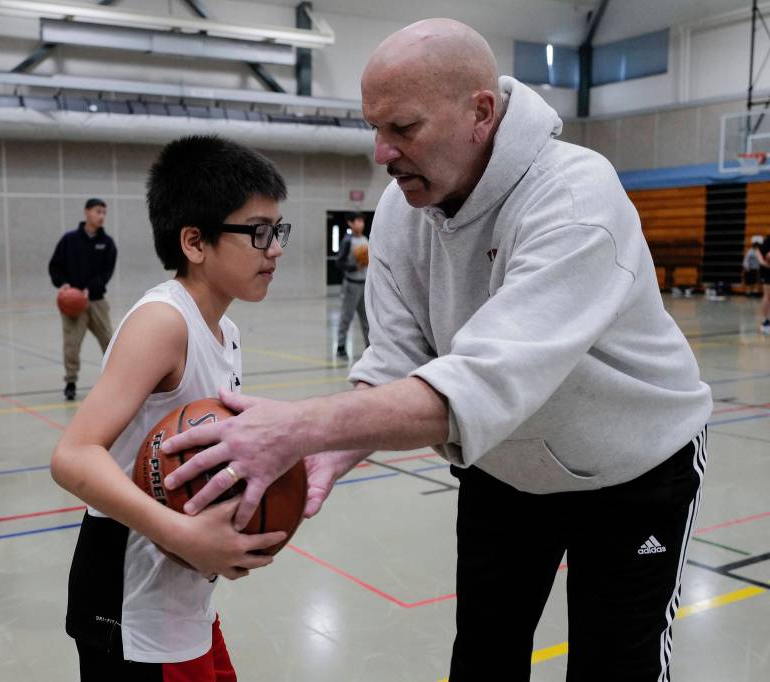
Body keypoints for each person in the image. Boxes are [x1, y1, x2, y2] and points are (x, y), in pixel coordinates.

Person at [158, 19, 713, 681]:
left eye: (402, 128)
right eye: (374, 128)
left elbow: (484, 381)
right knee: (481, 657)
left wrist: (300, 427)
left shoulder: (574, 197)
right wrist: (331, 450)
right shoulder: (401, 210)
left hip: (633, 469)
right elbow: (397, 357)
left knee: (616, 667)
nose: (381, 153)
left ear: (480, 112)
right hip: (502, 468)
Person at [50, 135, 290, 680]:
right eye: (258, 232)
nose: (274, 247)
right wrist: (183, 535)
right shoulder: (163, 323)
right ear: (195, 242)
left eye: (278, 231)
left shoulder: (224, 328)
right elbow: (73, 455)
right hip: (129, 600)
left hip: (183, 594)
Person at [48, 198, 117, 400]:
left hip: (96, 301)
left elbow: (107, 273)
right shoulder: (69, 240)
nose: (101, 216)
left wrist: (90, 288)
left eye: (104, 212)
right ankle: (70, 382)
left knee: (110, 341)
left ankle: (115, 380)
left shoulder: (107, 243)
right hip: (72, 304)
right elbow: (55, 266)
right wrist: (63, 284)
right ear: (87, 213)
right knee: (71, 344)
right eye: (98, 211)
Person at [335, 212, 370, 358]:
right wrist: (354, 267)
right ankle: (341, 347)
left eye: (362, 221)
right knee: (346, 316)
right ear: (350, 223)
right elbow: (339, 262)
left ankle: (369, 347)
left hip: (365, 284)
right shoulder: (347, 241)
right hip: (352, 284)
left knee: (367, 319)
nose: (360, 224)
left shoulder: (365, 239)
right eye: (357, 221)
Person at [755, 234, 770, 334]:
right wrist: (762, 263)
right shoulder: (769, 240)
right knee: (767, 296)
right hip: (767, 272)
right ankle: (765, 322)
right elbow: (759, 252)